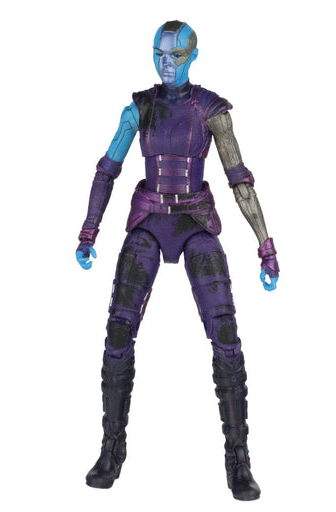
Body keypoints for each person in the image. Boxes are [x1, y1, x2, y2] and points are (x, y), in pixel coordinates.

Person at [76, 20, 279, 501]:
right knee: (119, 331)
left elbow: (239, 178)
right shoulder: (139, 108)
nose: (166, 64)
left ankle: (239, 458)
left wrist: (266, 244)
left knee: (225, 333)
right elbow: (107, 169)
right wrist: (89, 230)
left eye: (176, 56)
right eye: (159, 54)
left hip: (195, 222)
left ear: (193, 56)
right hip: (149, 221)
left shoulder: (210, 110)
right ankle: (111, 449)